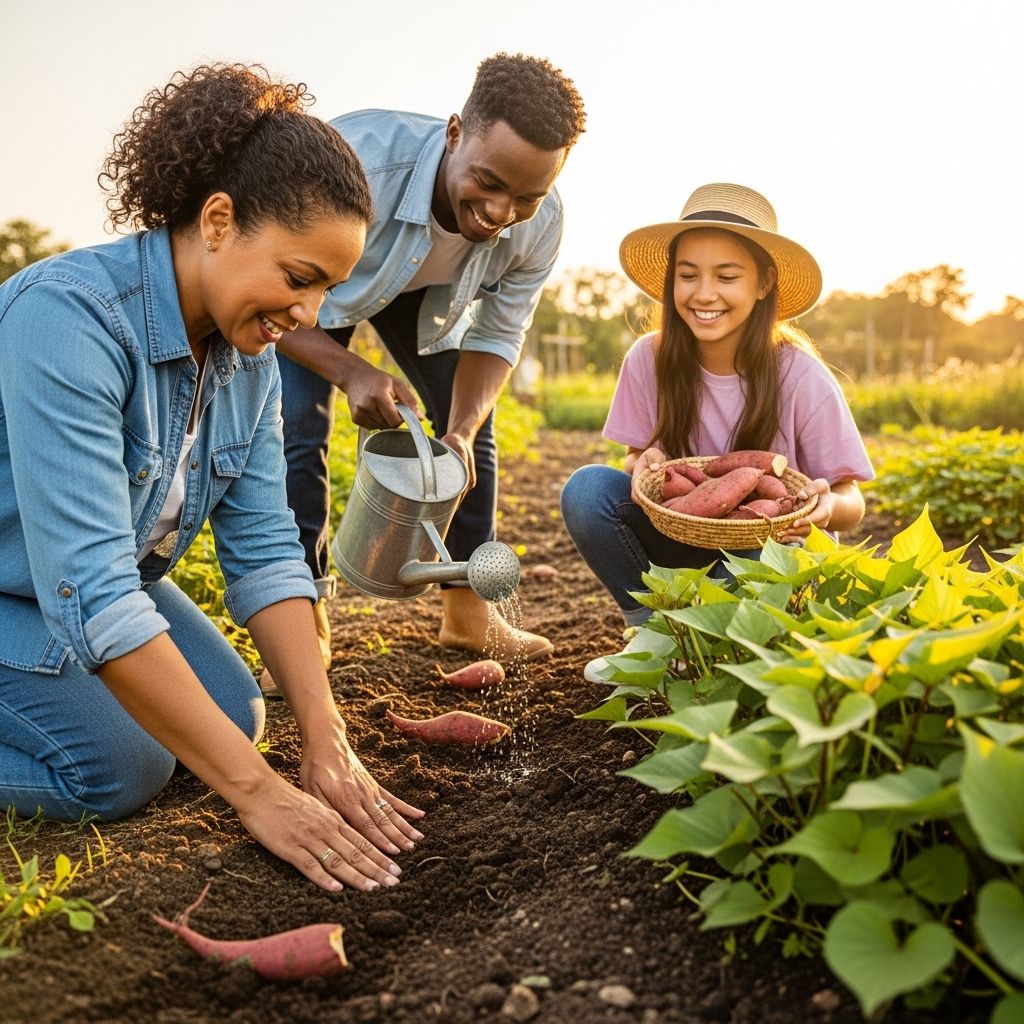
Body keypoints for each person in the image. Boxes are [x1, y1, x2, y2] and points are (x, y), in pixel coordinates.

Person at [0, 64, 424, 893]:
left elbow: (266, 549)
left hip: (67, 582)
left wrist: (325, 731)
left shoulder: (248, 360)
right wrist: (260, 794)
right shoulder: (71, 318)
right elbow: (93, 586)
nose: (309, 317)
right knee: (119, 768)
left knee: (236, 717)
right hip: (24, 579)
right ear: (219, 220)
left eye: (329, 291)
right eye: (300, 278)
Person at [271, 53, 586, 680]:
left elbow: (499, 334)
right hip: (309, 285)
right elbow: (265, 292)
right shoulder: (355, 164)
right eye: (488, 183)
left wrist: (462, 429)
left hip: (423, 296)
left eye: (526, 195)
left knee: (471, 428)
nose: (500, 212)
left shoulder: (539, 225)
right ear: (453, 134)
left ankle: (468, 613)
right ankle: (300, 627)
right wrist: (350, 369)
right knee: (298, 434)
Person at [560, 183, 874, 630]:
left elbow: (852, 499)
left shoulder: (802, 377)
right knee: (587, 490)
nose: (704, 294)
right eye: (688, 276)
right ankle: (650, 630)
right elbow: (636, 463)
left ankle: (713, 630)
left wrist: (825, 508)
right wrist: (641, 463)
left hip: (773, 551)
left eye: (726, 277)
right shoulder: (648, 359)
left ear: (764, 283)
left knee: (768, 553)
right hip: (682, 538)